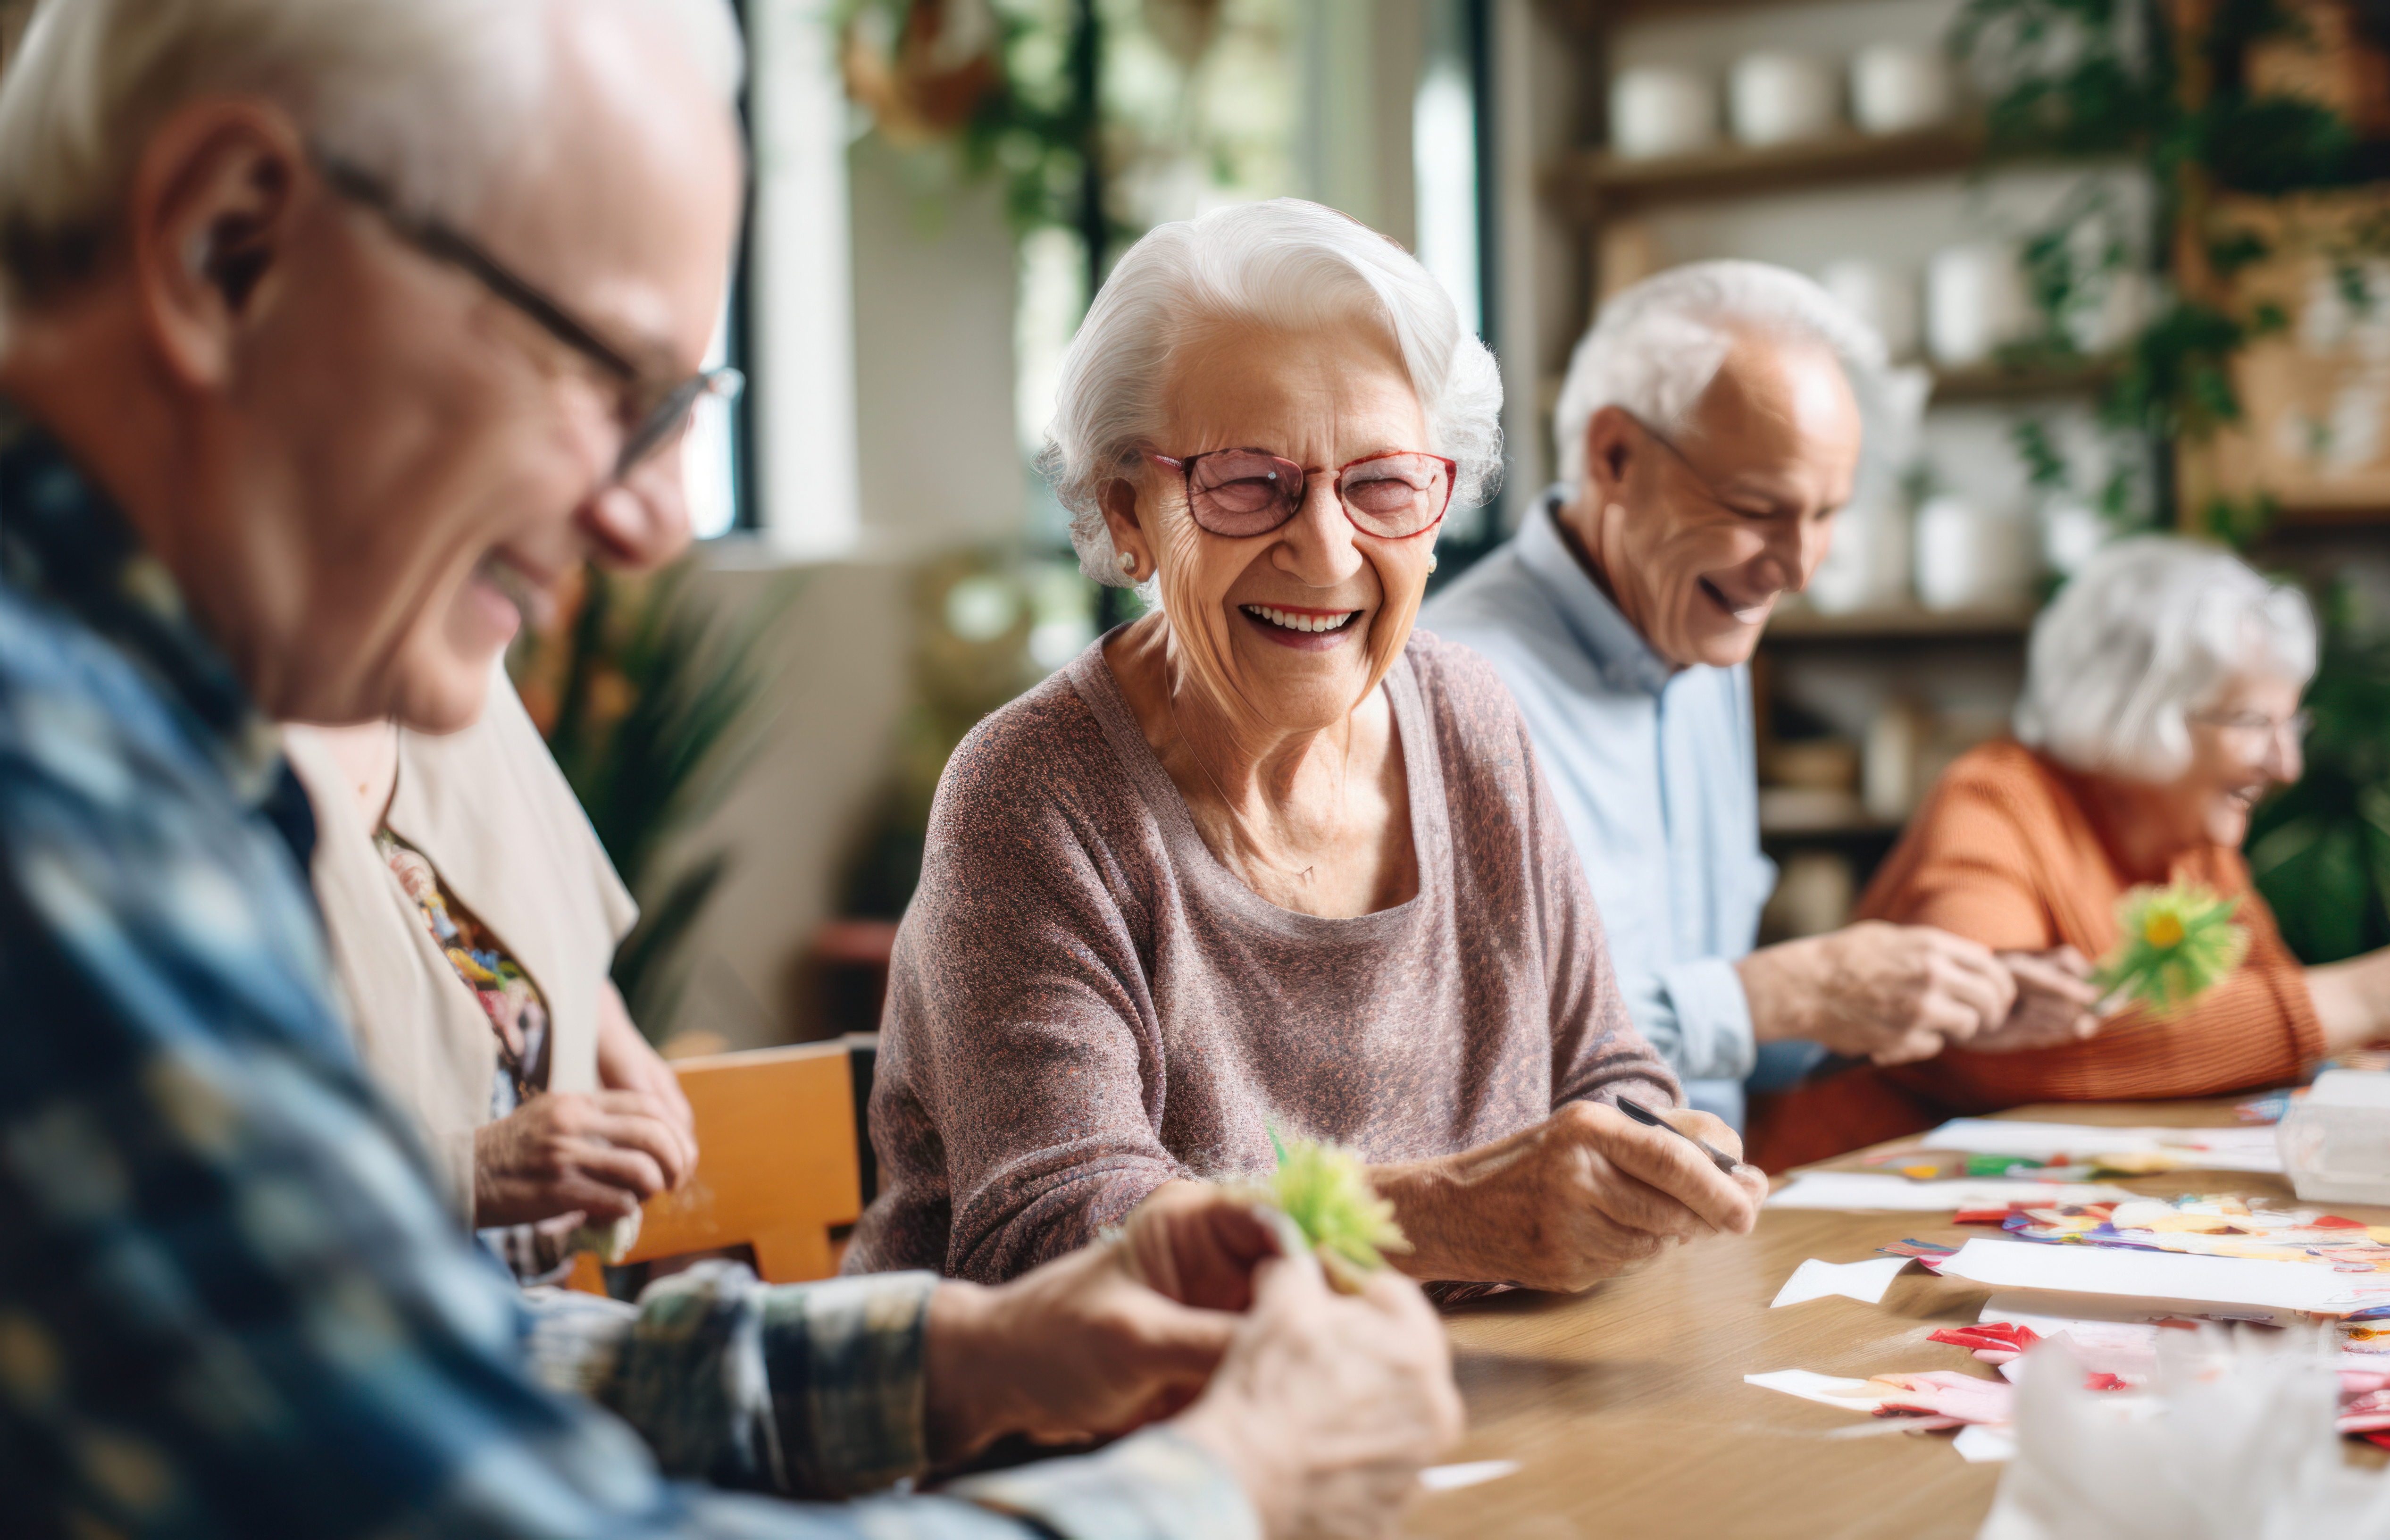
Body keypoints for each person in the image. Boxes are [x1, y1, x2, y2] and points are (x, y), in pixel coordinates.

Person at [0, 1, 1461, 1534]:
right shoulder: (53, 806)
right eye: (604, 380)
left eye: (686, 409)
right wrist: (1229, 1481)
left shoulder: (149, 746)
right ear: (230, 250)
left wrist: (967, 1355)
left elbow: (365, 1362)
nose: (661, 521)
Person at [848, 199, 1768, 1296]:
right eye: (1248, 483)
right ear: (1128, 508)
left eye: (1382, 484)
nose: (1327, 551)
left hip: (1447, 1413)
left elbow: (1603, 1068)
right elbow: (1057, 1231)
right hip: (1096, 1446)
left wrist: (1646, 1157)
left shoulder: (1474, 720)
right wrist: (1451, 1219)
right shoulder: (1033, 793)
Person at [1423, 260, 2098, 1130]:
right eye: (1756, 507)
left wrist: (1894, 1007)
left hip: (1706, 1224)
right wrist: (1771, 994)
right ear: (1614, 456)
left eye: (1824, 515)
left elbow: (1711, 1033)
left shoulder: (1705, 641)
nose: (1800, 567)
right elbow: (1460, 1062)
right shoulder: (1446, 681)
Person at [1746, 537, 2390, 1167]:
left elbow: (2263, 1034)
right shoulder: (1994, 804)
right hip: (1849, 1227)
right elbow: (1992, 1042)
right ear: (2139, 713)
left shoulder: (2190, 842)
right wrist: (2365, 999)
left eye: (2292, 726)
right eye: (2252, 723)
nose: (2287, 768)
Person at [284, 678, 702, 1282]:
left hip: (530, 1307)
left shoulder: (461, 662)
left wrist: (611, 1038)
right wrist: (475, 1171)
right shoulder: (193, 773)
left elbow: (548, 921)